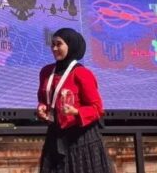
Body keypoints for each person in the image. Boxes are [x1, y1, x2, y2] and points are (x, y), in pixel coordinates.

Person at [36, 28, 114, 173]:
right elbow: (44, 99)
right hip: (55, 135)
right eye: (53, 44)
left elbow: (97, 108)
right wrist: (42, 108)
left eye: (59, 44)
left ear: (70, 45)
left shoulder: (82, 73)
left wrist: (77, 112)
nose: (54, 48)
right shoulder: (46, 72)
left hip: (80, 139)